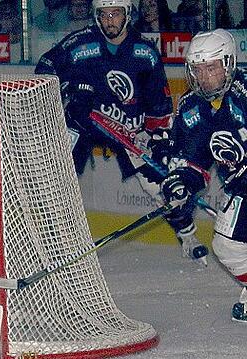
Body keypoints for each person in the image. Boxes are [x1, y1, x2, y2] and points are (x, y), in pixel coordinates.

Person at [34, 0, 208, 265]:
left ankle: (187, 234)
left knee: (161, 182)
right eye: (103, 15)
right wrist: (68, 89)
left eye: (115, 14)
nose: (109, 21)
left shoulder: (145, 53)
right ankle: (48, 240)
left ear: (127, 15)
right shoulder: (79, 43)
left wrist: (160, 140)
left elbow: (159, 105)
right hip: (82, 123)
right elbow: (45, 66)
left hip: (128, 128)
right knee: (56, 175)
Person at [158, 30, 247, 322]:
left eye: (211, 68)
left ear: (229, 64)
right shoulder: (190, 107)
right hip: (242, 185)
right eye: (197, 70)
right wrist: (181, 181)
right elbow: (193, 160)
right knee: (227, 245)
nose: (203, 77)